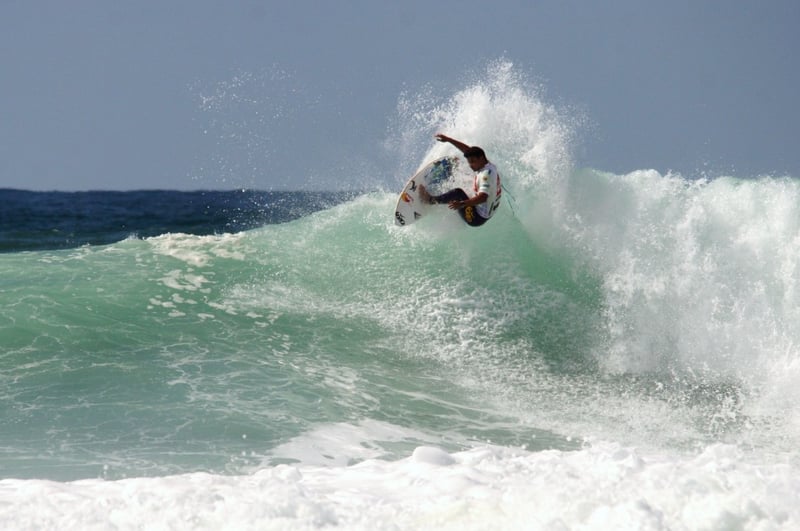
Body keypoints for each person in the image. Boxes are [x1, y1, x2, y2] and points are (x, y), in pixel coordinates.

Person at [418, 134, 502, 227]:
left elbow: (483, 197)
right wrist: (449, 140)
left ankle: (430, 200)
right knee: (462, 172)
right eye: (469, 161)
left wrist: (461, 204)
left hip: (477, 217)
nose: (471, 165)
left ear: (481, 158)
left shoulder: (486, 175)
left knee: (457, 193)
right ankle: (449, 170)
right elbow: (467, 150)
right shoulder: (487, 164)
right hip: (487, 209)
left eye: (473, 161)